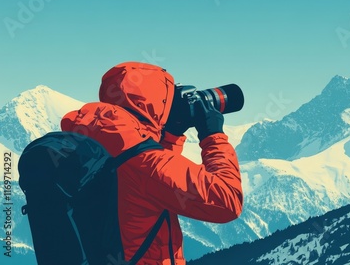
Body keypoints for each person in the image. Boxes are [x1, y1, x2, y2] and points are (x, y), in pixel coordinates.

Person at [60, 61, 243, 265]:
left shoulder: (95, 142)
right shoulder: (142, 160)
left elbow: (151, 184)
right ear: (156, 104)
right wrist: (213, 136)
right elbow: (227, 201)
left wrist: (170, 136)